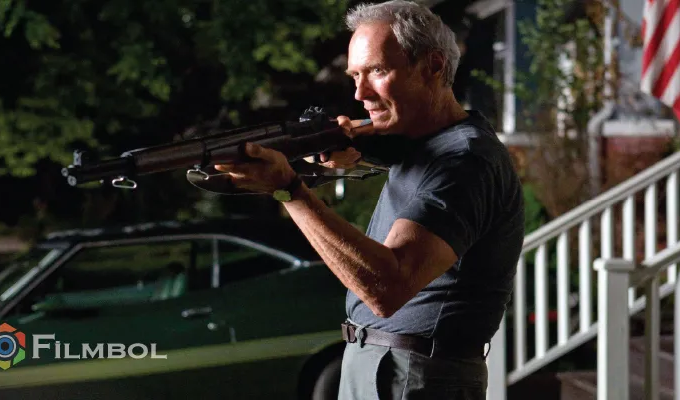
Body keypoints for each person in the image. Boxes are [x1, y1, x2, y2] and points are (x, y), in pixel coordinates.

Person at [213, 1, 524, 398]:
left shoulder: (464, 160)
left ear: (433, 66)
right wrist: (341, 152)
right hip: (384, 363)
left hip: (415, 374)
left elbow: (386, 288)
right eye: (355, 76)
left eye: (377, 71)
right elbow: (397, 152)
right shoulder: (422, 146)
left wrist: (289, 190)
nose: (360, 94)